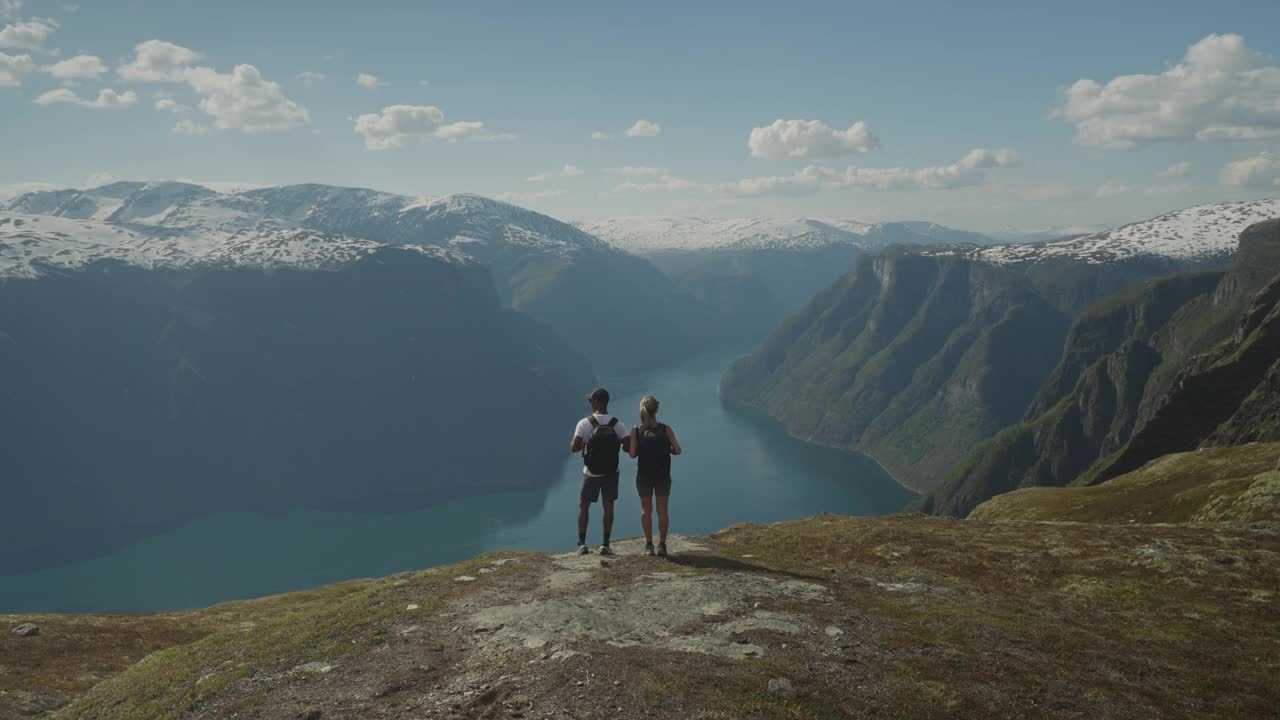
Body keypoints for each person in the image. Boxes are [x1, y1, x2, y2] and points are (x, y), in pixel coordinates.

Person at [570, 387, 631, 556]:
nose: (590, 403)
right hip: (612, 472)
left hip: (591, 472)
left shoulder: (584, 423)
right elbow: (628, 447)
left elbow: (574, 447)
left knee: (584, 505)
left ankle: (582, 544)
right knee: (608, 506)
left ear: (597, 402)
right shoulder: (617, 424)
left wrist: (588, 442)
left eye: (591, 401)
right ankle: (605, 544)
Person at [628, 394, 682, 557]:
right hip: (663, 476)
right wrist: (668, 450)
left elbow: (632, 454)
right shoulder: (666, 429)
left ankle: (649, 545)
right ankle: (662, 545)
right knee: (662, 510)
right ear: (656, 410)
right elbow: (678, 450)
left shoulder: (636, 430)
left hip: (644, 476)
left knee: (646, 510)